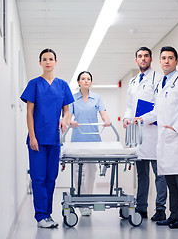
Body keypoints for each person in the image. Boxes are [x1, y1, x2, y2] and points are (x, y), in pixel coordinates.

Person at [135, 46, 178, 229]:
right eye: (163, 58)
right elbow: (157, 111)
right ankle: (175, 214)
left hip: (176, 137)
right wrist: (141, 119)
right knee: (170, 179)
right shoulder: (162, 84)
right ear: (160, 61)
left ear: (176, 62)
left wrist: (176, 128)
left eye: (170, 58)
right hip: (164, 140)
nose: (166, 61)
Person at [20, 48, 74, 228]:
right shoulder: (34, 84)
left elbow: (67, 111)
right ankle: (41, 216)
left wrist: (65, 120)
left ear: (56, 62)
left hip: (55, 138)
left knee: (51, 177)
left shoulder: (63, 85)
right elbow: (29, 112)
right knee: (38, 178)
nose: (48, 62)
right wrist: (32, 136)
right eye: (44, 59)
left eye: (51, 59)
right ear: (40, 63)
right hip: (38, 140)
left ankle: (47, 215)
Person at [123, 47, 167, 221]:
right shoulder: (133, 81)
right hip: (138, 136)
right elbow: (129, 106)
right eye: (140, 56)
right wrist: (127, 118)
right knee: (142, 175)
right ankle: (141, 208)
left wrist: (143, 118)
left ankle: (160, 209)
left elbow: (161, 107)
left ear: (151, 59)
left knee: (159, 175)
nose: (143, 59)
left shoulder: (158, 79)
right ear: (136, 60)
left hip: (154, 133)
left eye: (146, 56)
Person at [69, 71, 111, 216]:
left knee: (91, 172)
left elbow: (103, 113)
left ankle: (87, 200)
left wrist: (107, 120)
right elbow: (68, 117)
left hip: (93, 141)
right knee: (78, 172)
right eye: (83, 79)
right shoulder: (73, 99)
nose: (86, 81)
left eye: (88, 79)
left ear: (91, 82)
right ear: (78, 82)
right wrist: (70, 122)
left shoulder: (97, 98)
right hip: (77, 141)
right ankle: (81, 203)